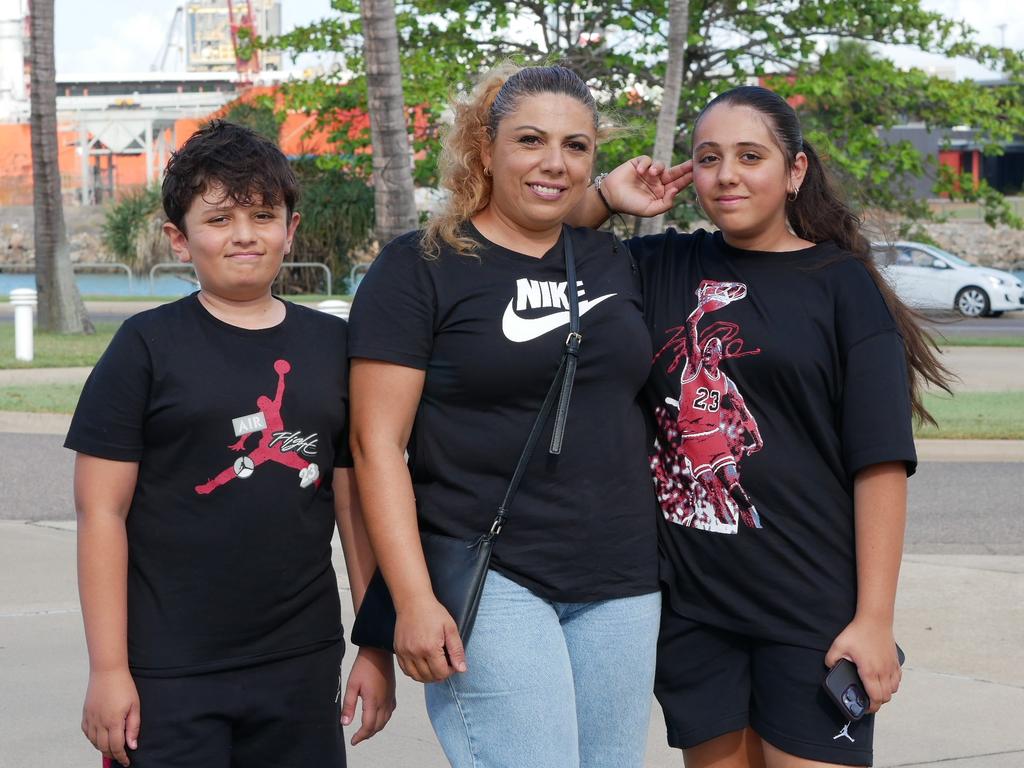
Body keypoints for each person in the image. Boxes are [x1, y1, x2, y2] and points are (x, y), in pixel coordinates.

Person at [575, 86, 951, 767]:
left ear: (795, 170)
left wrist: (874, 620)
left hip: (810, 605)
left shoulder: (842, 286)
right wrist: (606, 194)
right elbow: (540, 233)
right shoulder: (662, 265)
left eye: (751, 156)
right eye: (709, 157)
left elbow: (881, 462)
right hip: (695, 606)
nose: (727, 175)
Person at [346, 64, 684, 768]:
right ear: (484, 147)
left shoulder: (607, 256)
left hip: (621, 577)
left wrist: (602, 201)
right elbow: (376, 445)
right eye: (530, 140)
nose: (554, 163)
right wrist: (410, 598)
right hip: (492, 575)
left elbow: (553, 217)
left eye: (577, 146)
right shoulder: (421, 267)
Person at [66, 121, 395, 768]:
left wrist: (375, 646)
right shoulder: (145, 348)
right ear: (179, 239)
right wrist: (109, 669)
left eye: (264, 215)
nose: (244, 234)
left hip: (301, 662)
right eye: (219, 219)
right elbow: (99, 513)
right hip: (169, 666)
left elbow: (357, 508)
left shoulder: (333, 348)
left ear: (290, 230)